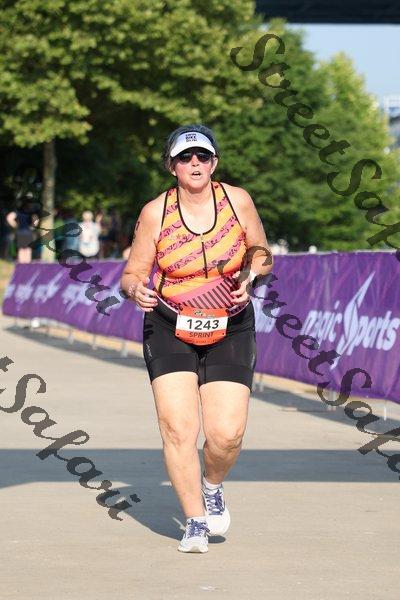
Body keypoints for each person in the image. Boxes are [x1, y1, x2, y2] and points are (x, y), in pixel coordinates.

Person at [121, 124, 272, 554]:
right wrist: (135, 290)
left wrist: (252, 272)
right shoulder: (156, 212)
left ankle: (212, 485)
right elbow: (132, 273)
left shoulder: (237, 200)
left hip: (230, 325)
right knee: (178, 428)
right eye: (185, 157)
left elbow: (262, 252)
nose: (194, 164)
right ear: (172, 166)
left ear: (214, 162)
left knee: (227, 435)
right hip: (169, 326)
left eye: (202, 156)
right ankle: (195, 522)